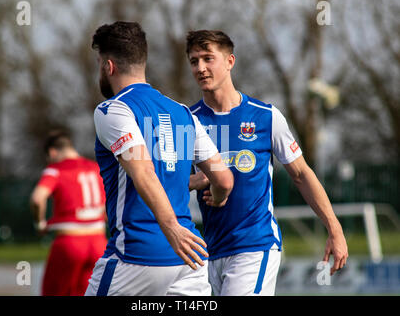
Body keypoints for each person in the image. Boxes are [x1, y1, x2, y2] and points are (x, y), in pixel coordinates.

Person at [186, 30, 348, 296]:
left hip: (254, 246)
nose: (201, 68)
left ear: (230, 61)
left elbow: (301, 174)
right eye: (194, 61)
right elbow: (168, 181)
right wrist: (200, 180)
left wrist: (334, 228)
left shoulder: (266, 117)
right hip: (208, 252)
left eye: (208, 58)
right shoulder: (187, 121)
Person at [84, 21, 234, 296]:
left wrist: (171, 228)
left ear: (108, 66)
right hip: (190, 258)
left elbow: (143, 172)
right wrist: (218, 195)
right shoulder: (182, 112)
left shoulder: (113, 110)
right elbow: (223, 178)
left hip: (137, 255)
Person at [30, 130, 108, 296]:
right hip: (99, 242)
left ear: (52, 152)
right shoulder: (96, 168)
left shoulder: (55, 170)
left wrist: (39, 223)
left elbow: (38, 199)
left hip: (70, 242)